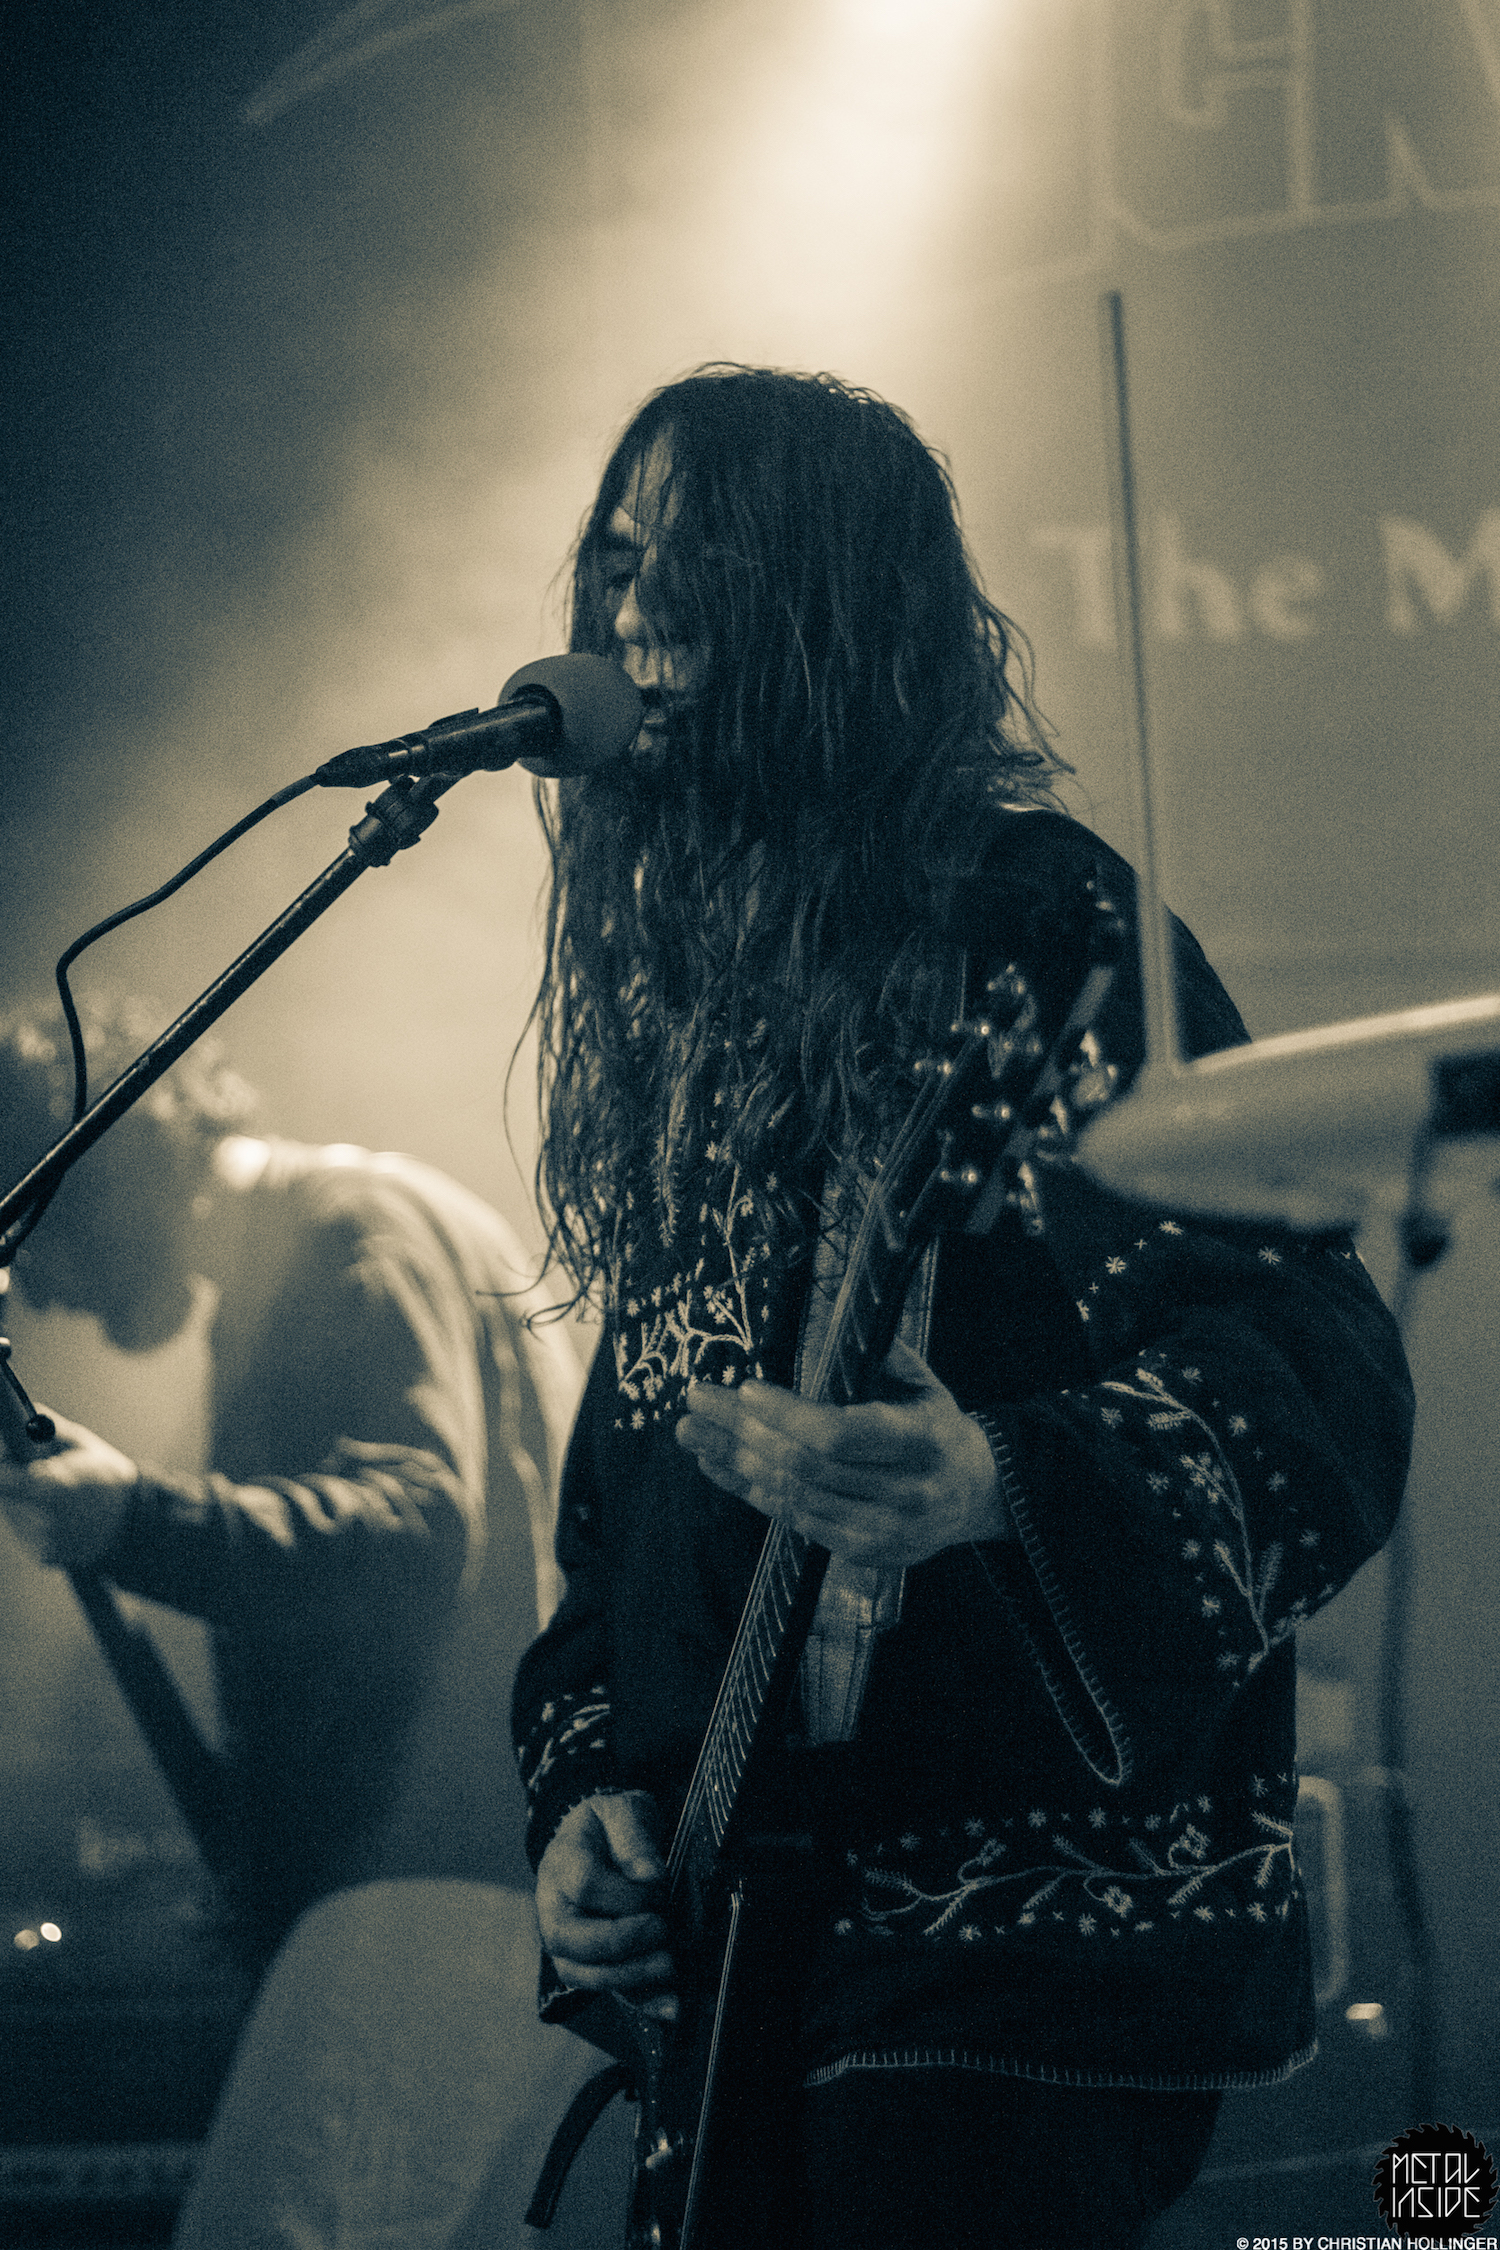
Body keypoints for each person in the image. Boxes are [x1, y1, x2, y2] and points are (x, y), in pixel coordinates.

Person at [508, 366, 1416, 2249]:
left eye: (695, 559)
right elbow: (626, 1509)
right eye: (617, 558)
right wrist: (585, 1795)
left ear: (830, 602)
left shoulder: (1036, 925)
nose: (634, 607)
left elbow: (1313, 1367)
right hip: (738, 1961)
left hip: (1011, 1968)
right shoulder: (693, 1000)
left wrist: (996, 1476)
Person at [0, 999, 584, 1973]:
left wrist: (135, 1519)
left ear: (102, 1173)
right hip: (421, 1891)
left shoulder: (352, 1232)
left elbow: (413, 1535)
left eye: (34, 1235)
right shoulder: (293, 1261)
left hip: (438, 1906)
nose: (38, 1290)